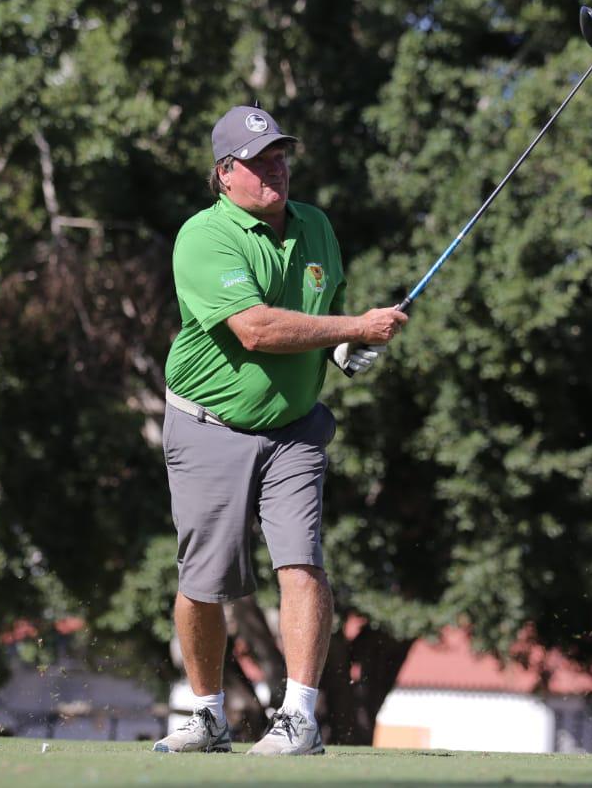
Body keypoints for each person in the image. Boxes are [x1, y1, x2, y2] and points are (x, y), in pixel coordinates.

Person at [152, 105, 408, 755]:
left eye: (280, 157)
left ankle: (299, 718)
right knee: (204, 581)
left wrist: (345, 349)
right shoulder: (205, 236)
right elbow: (257, 329)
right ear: (224, 173)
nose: (276, 170)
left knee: (302, 561)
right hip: (208, 425)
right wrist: (356, 327)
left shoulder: (315, 226)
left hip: (294, 429)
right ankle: (208, 713)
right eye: (259, 161)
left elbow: (324, 314)